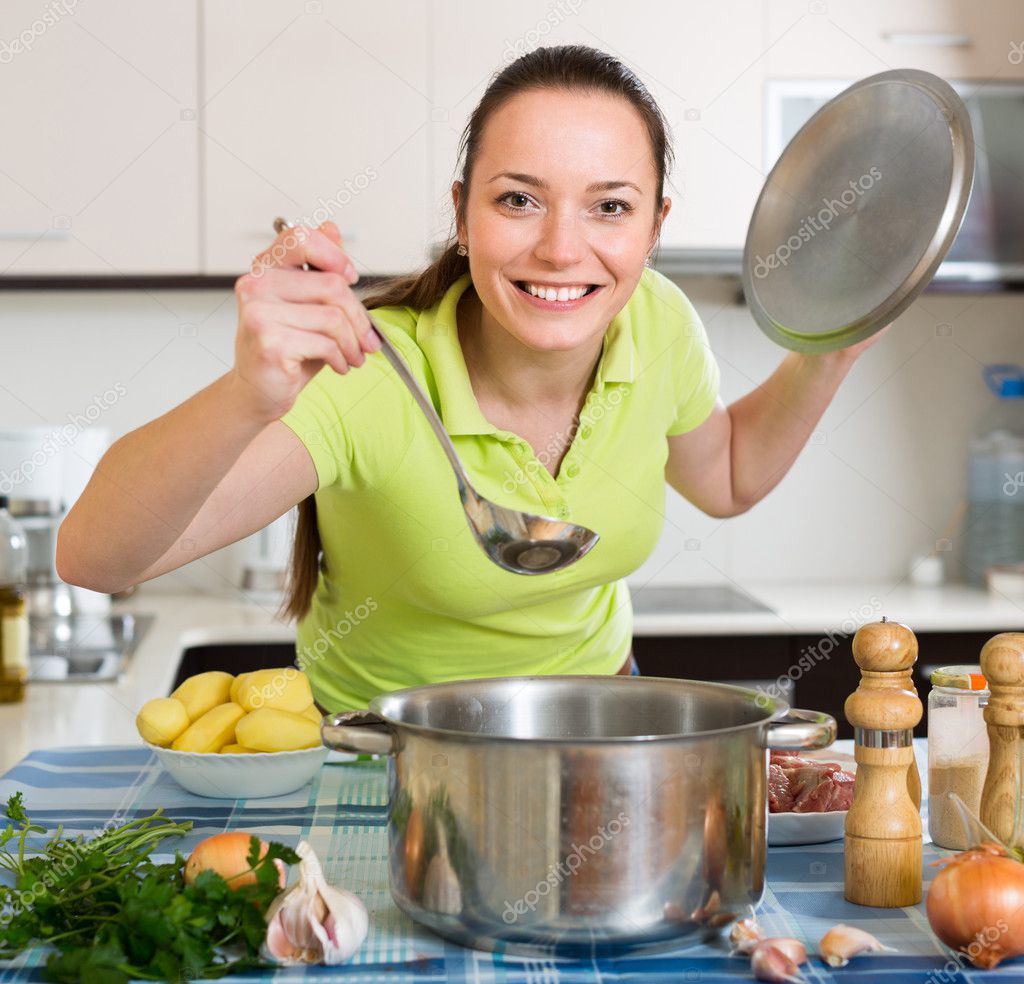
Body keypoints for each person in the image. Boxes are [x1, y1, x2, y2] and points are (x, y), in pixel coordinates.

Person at [57, 45, 882, 713]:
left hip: (599, 739)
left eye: (610, 206)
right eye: (519, 200)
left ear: (656, 224)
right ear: (462, 214)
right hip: (384, 769)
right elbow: (96, 557)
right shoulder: (365, 372)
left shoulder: (658, 321)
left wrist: (835, 341)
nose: (562, 249)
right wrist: (250, 394)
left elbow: (729, 476)